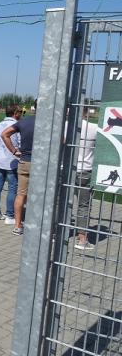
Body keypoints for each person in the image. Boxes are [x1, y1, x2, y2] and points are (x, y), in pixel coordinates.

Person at [1, 100, 37, 235]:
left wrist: (14, 150)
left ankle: (17, 225)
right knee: (43, 195)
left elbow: (5, 134)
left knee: (21, 194)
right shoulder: (51, 122)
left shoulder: (24, 122)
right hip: (43, 164)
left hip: (25, 162)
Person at [70, 107, 98, 250]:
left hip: (67, 169)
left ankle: (55, 234)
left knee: (60, 202)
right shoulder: (94, 128)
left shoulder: (65, 126)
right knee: (83, 206)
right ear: (87, 112)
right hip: (85, 170)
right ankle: (82, 239)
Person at [0, 105, 21, 224]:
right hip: (12, 160)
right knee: (12, 188)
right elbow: (20, 141)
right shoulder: (16, 125)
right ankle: (9, 215)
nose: (21, 114)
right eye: (20, 112)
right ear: (15, 113)